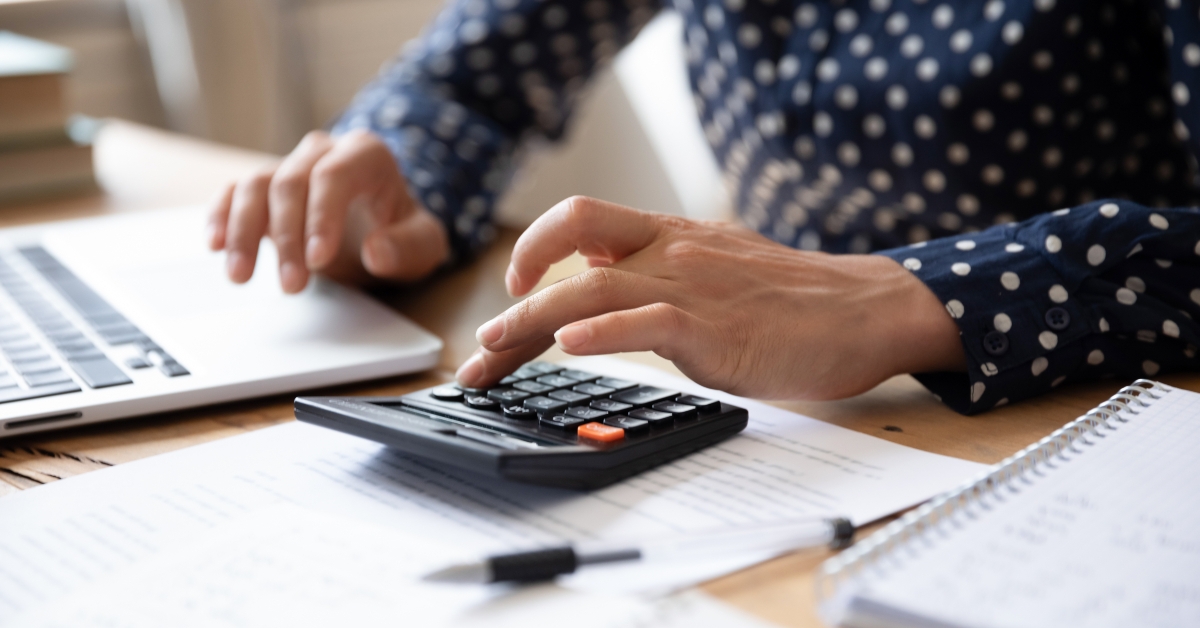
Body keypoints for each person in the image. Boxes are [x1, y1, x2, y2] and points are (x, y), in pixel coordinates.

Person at [208, 0, 1200, 414]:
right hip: (797, 415)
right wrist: (394, 190)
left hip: (1099, 419)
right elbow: (469, 81)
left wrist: (904, 294)